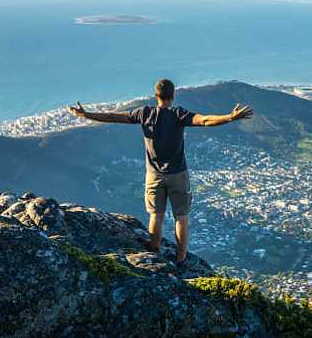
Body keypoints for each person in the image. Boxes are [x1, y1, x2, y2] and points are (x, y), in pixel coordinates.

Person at [68, 78, 253, 265]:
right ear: (173, 96)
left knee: (156, 214)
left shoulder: (144, 113)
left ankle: (153, 247)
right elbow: (204, 120)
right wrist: (229, 117)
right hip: (178, 174)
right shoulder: (178, 114)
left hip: (154, 174)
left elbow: (114, 116)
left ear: (155, 96)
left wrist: (86, 115)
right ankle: (181, 258)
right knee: (181, 217)